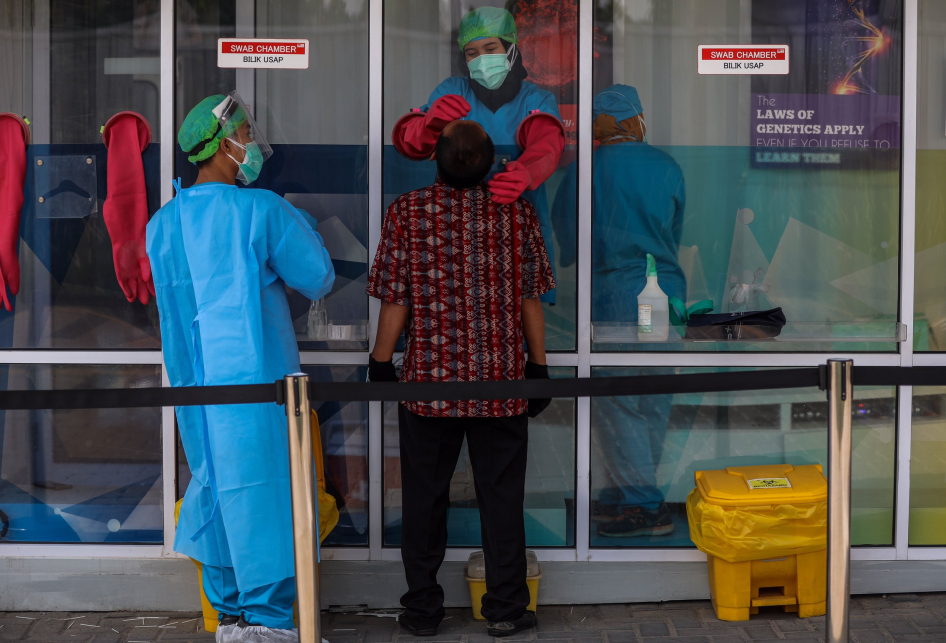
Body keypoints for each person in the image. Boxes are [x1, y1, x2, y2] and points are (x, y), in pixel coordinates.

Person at [147, 92, 335, 643]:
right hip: (260, 389)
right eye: (248, 137)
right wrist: (302, 223)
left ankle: (232, 621)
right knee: (265, 493)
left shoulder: (164, 224)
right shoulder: (263, 210)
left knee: (214, 483)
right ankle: (271, 624)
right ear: (224, 147)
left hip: (198, 393)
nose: (253, 146)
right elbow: (317, 277)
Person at [367, 120, 554, 638]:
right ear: (492, 163)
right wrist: (537, 367)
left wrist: (381, 362)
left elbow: (395, 298)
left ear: (436, 161)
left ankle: (423, 611)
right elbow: (530, 299)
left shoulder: (407, 211)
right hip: (500, 385)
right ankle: (506, 609)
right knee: (501, 498)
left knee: (424, 500)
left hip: (429, 386)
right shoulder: (517, 212)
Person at [552, 85, 686, 539]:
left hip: (616, 298)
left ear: (598, 125)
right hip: (662, 296)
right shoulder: (667, 166)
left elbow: (567, 242)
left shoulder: (585, 170)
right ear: (636, 120)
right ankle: (631, 495)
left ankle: (642, 505)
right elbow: (673, 233)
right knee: (651, 397)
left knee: (618, 400)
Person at [391, 6, 564, 303]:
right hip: (453, 232)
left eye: (490, 48)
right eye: (472, 52)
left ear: (510, 49)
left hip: (515, 232)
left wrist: (527, 171)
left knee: (520, 305)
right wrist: (429, 124)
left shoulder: (535, 98)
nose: (482, 59)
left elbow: (547, 141)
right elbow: (411, 145)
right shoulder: (452, 90)